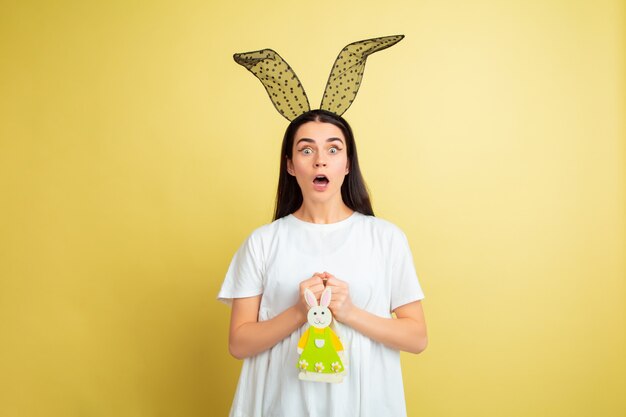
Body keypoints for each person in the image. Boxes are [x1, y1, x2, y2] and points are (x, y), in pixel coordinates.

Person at [218, 109, 428, 417]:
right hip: (282, 405)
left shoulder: (386, 238)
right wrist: (299, 312)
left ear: (347, 164)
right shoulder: (263, 242)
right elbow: (239, 343)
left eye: (333, 149)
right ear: (290, 165)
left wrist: (349, 313)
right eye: (306, 150)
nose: (320, 160)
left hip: (364, 405)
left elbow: (417, 337)